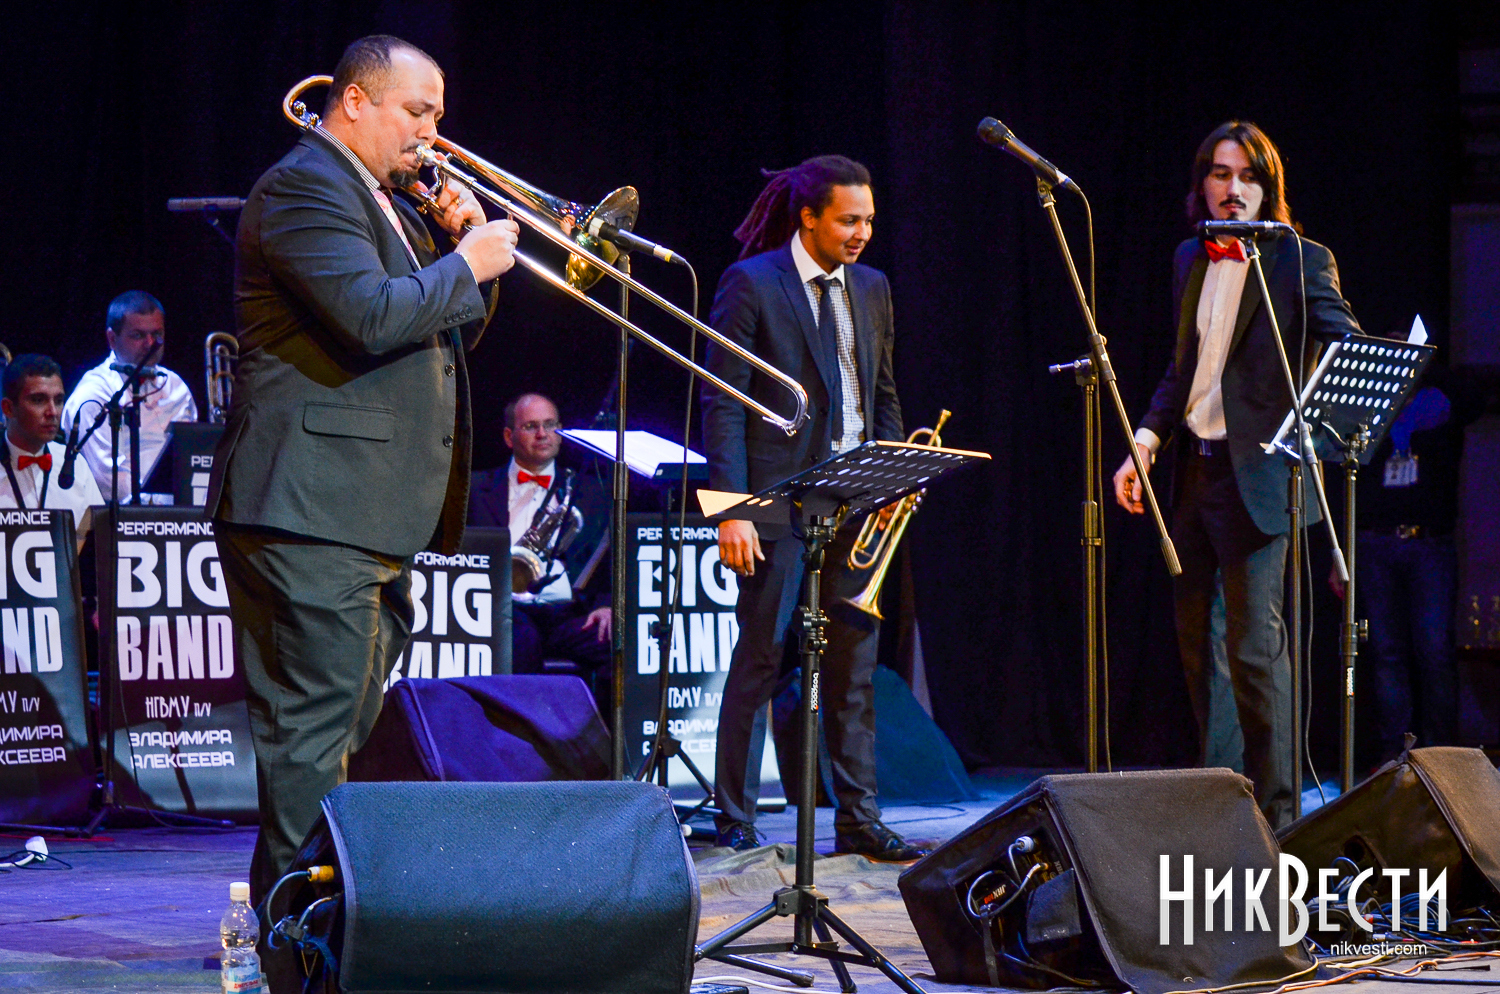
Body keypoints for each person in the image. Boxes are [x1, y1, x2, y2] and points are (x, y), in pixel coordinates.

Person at [204, 34, 518, 904]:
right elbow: (371, 317)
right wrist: (465, 263)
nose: (432, 134)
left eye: (438, 115)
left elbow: (441, 337)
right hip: (309, 508)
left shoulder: (388, 203)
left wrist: (463, 251)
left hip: (365, 513)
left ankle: (308, 928)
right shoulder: (304, 186)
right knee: (311, 741)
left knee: (338, 733)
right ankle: (294, 943)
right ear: (354, 102)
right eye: (417, 112)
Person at [1113, 121, 1361, 828]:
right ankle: (1225, 806)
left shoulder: (1300, 259)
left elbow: (1347, 350)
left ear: (1267, 188)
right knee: (1202, 649)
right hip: (1196, 472)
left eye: (1248, 176)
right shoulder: (1189, 256)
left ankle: (1277, 819)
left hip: (1262, 477)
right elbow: (1185, 369)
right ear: (1204, 185)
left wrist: (1309, 429)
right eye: (1221, 174)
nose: (1233, 188)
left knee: (1254, 650)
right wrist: (1144, 441)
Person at [703, 155, 921, 860]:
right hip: (775, 498)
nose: (862, 233)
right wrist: (732, 510)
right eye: (848, 220)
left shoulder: (873, 286)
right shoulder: (752, 282)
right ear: (808, 217)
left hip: (854, 494)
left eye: (869, 221)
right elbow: (723, 402)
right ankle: (734, 816)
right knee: (762, 657)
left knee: (853, 669)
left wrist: (893, 476)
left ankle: (858, 818)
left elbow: (880, 391)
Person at [469, 392, 611, 674]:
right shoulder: (474, 489)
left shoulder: (592, 491)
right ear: (509, 437)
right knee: (521, 641)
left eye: (550, 425)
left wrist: (606, 606)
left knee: (618, 642)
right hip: (502, 611)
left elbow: (610, 561)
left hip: (568, 614)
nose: (543, 434)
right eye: (530, 426)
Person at [61, 291, 198, 502]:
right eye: (138, 335)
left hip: (180, 508)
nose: (150, 344)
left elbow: (191, 458)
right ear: (112, 339)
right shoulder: (93, 395)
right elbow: (108, 480)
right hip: (123, 514)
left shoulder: (176, 386)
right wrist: (161, 505)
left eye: (157, 334)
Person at [0, 354, 104, 547]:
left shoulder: (75, 464)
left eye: (58, 400)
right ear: (8, 408)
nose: (53, 412)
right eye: (38, 400)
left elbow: (98, 541)